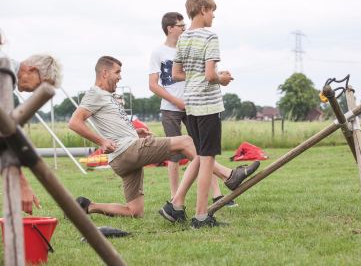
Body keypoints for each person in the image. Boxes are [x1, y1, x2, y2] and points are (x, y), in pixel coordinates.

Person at [69, 56, 258, 218]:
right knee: (187, 142)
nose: (120, 77)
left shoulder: (106, 96)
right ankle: (229, 176)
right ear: (104, 73)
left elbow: (110, 125)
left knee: (134, 211)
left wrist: (136, 132)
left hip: (121, 159)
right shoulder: (95, 94)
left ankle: (89, 206)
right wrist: (101, 141)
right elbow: (75, 122)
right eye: (117, 72)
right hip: (127, 151)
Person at [159, 0, 259, 228]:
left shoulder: (182, 38)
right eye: (212, 10)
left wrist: (199, 77)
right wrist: (221, 78)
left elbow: (176, 74)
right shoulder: (210, 37)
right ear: (203, 9)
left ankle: (176, 204)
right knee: (207, 159)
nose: (214, 15)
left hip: (191, 104)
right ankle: (202, 216)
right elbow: (211, 74)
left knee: (201, 155)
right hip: (208, 104)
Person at [149, 11, 237, 207]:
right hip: (171, 108)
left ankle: (217, 194)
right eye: (180, 25)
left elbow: (201, 73)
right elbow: (153, 85)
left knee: (201, 151)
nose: (184, 28)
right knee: (174, 156)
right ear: (170, 28)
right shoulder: (158, 52)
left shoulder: (187, 44)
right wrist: (175, 101)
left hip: (193, 103)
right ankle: (175, 198)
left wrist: (215, 74)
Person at [0, 48, 63, 214]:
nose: (36, 93)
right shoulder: (5, 71)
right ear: (32, 70)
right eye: (40, 86)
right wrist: (21, 183)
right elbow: (4, 132)